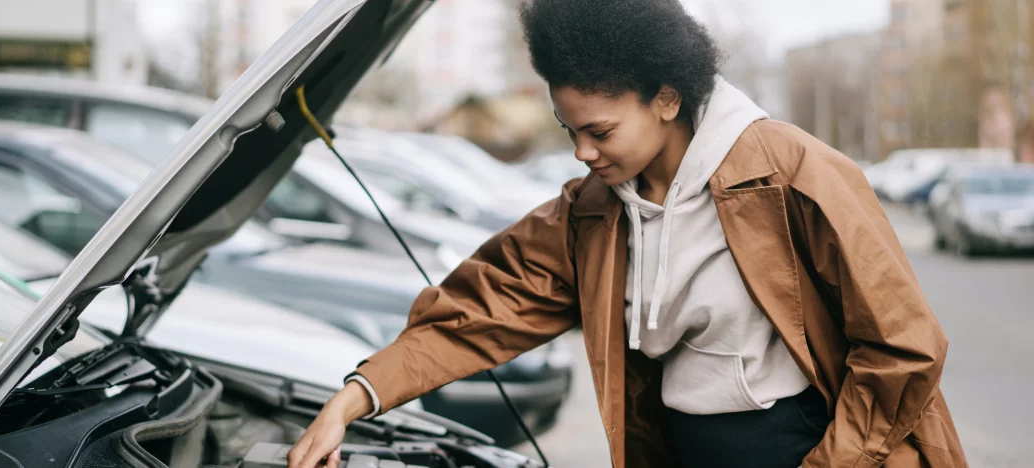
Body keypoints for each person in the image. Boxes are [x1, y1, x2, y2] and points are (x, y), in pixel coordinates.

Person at [289, 0, 966, 467]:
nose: (582, 152)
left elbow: (902, 347)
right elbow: (481, 308)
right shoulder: (593, 210)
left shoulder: (791, 174)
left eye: (600, 130)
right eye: (569, 130)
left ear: (667, 98)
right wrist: (353, 398)